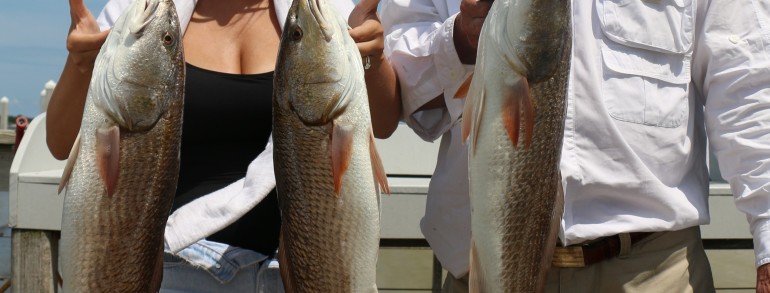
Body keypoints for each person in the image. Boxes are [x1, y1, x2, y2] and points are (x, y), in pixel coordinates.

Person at [382, 0, 770, 292]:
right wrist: (458, 43)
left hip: (654, 273)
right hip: (487, 267)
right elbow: (391, 89)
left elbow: (747, 86)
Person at [46, 0, 401, 291]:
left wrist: (373, 60)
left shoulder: (319, 11)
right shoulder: (144, 12)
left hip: (300, 270)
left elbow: (383, 124)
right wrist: (80, 66)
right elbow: (60, 142)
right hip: (173, 265)